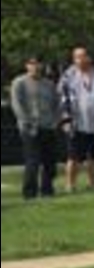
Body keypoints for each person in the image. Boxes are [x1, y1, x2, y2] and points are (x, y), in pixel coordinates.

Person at [58, 46, 94, 192]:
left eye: (83, 56)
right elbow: (62, 99)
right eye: (77, 57)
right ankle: (70, 184)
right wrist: (66, 119)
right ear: (74, 59)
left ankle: (93, 183)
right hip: (76, 123)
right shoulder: (68, 76)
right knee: (74, 156)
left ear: (89, 58)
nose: (80, 60)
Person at [10, 55, 57, 199]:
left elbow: (57, 104)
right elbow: (17, 105)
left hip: (48, 127)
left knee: (50, 162)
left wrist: (55, 121)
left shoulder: (49, 84)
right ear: (27, 65)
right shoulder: (19, 82)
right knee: (33, 162)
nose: (36, 66)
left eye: (38, 63)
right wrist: (26, 122)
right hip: (29, 128)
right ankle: (29, 193)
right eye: (32, 63)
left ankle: (47, 191)